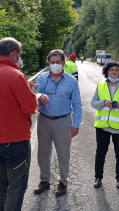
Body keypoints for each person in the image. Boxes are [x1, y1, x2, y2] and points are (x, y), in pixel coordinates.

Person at [0, 37, 38, 211]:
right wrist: (33, 95)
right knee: (16, 184)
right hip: (15, 140)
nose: (20, 57)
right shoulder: (15, 76)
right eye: (20, 54)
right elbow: (30, 107)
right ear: (14, 53)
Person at [34, 49, 82, 197]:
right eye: (52, 62)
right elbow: (34, 93)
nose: (55, 65)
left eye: (57, 62)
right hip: (44, 119)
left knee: (63, 153)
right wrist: (40, 95)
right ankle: (44, 180)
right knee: (43, 153)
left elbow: (77, 104)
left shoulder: (71, 81)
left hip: (63, 121)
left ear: (63, 62)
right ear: (48, 63)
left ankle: (63, 182)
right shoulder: (42, 78)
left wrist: (76, 124)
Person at [90, 61, 119, 189]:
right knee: (100, 152)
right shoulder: (100, 85)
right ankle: (98, 177)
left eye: (116, 70)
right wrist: (103, 102)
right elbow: (93, 103)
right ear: (107, 72)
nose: (114, 72)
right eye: (111, 70)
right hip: (103, 125)